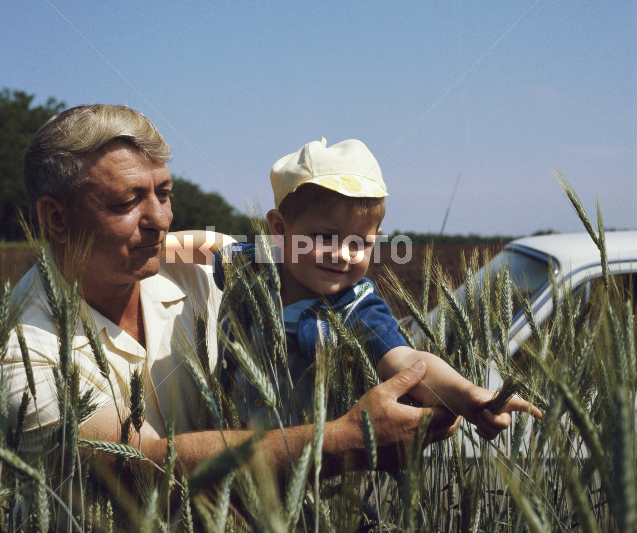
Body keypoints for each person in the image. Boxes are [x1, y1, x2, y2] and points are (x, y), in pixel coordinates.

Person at [0, 105, 460, 478]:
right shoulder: (16, 356)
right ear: (57, 218)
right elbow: (148, 467)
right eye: (127, 202)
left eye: (164, 194)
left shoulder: (210, 270)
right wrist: (343, 440)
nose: (162, 220)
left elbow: (331, 298)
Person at [207, 137, 541, 438]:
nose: (342, 254)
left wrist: (465, 392)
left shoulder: (357, 308)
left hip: (309, 474)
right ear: (280, 229)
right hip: (224, 454)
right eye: (324, 237)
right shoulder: (253, 267)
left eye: (360, 243)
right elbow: (214, 244)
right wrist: (163, 245)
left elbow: (407, 359)